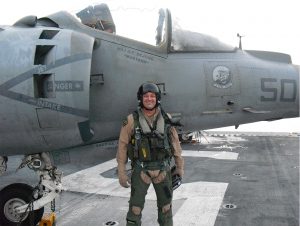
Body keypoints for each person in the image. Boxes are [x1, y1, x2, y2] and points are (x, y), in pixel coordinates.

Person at [116, 82, 184, 226]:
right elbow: (122, 147)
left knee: (166, 208)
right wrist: (121, 172)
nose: (149, 99)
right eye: (145, 96)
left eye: (152, 96)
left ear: (157, 98)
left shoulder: (167, 119)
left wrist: (179, 167)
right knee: (135, 209)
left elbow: (175, 145)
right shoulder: (130, 120)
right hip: (141, 170)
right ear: (140, 98)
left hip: (163, 170)